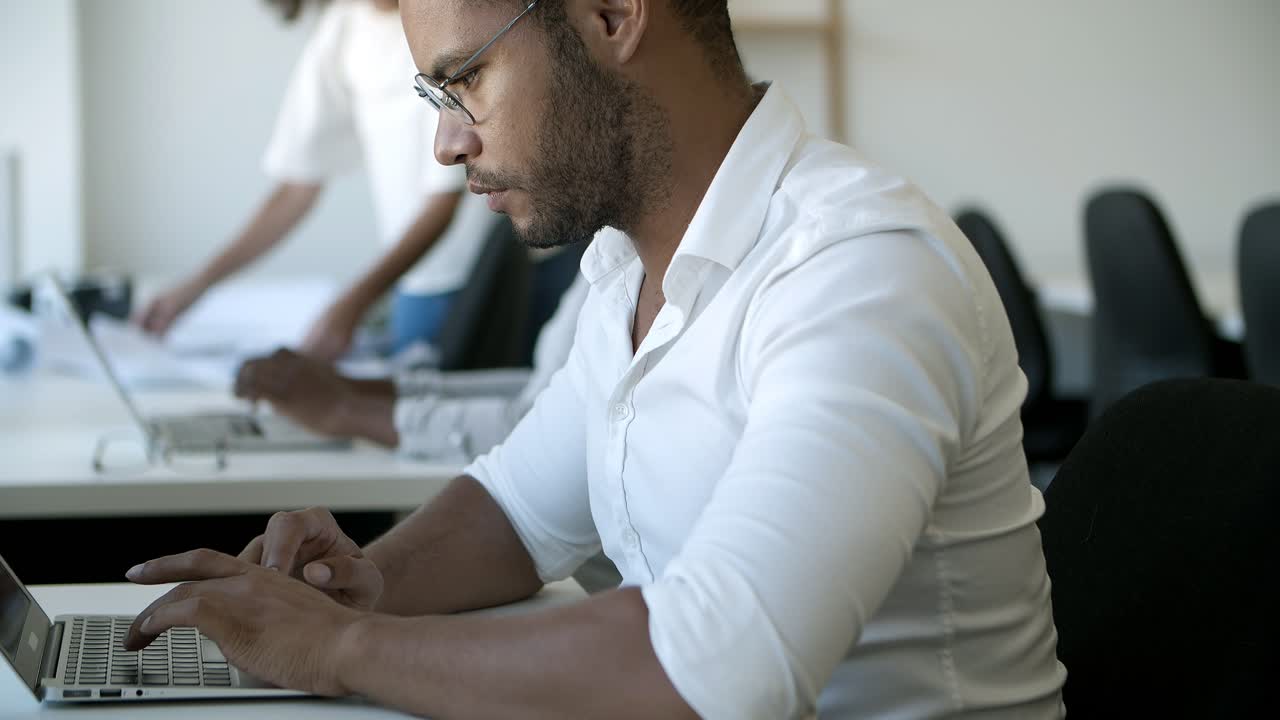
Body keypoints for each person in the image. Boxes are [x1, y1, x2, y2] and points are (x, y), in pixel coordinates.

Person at [122, 1, 1068, 717]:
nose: (447, 143)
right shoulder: (622, 271)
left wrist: (340, 646)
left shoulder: (859, 270)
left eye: (468, 81)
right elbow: (518, 509)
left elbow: (719, 666)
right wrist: (369, 582)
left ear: (612, 15)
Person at [136, 0, 494, 361]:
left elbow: (444, 201)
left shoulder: (444, 20)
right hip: (409, 283)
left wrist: (352, 305)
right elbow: (297, 186)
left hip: (468, 275)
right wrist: (197, 286)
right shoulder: (344, 28)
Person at [233, 274, 588, 458]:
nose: (447, 151)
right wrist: (351, 389)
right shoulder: (605, 253)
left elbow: (542, 432)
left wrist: (349, 411)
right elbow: (545, 388)